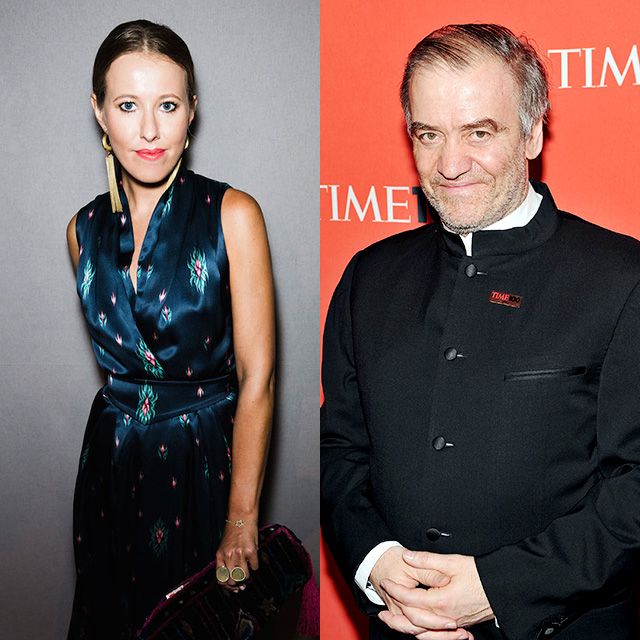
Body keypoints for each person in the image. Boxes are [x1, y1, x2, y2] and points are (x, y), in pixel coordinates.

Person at [321, 23, 640, 640]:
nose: (450, 164)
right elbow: (339, 450)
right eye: (429, 134)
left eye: (478, 132)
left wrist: (500, 588)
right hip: (397, 625)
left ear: (532, 132)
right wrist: (377, 563)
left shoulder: (622, 280)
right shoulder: (369, 276)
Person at [66, 20, 275, 639]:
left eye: (168, 105)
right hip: (111, 463)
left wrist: (242, 515)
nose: (150, 130)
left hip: (204, 460)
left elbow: (258, 378)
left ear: (192, 111)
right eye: (128, 106)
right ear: (100, 113)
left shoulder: (233, 214)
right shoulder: (81, 231)